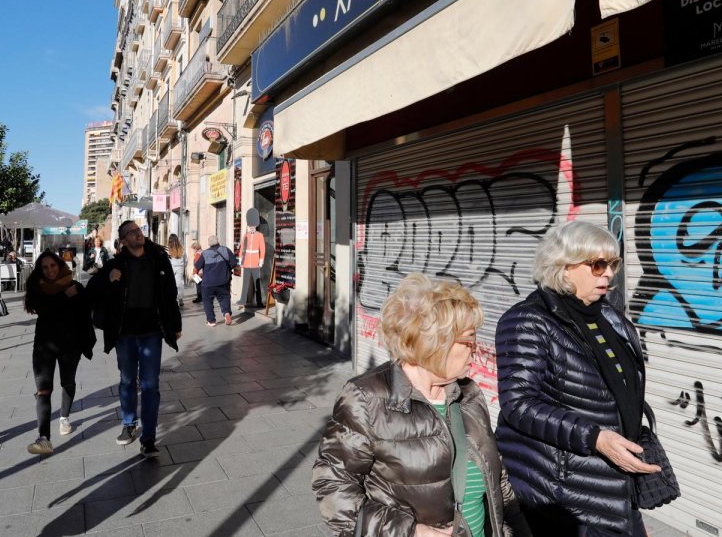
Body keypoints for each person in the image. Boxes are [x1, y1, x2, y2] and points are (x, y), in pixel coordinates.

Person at [313, 273, 529, 537]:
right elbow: (333, 486)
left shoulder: (469, 393)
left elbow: (498, 480)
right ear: (436, 342)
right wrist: (409, 532)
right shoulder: (366, 398)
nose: (477, 350)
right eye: (470, 341)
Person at [495, 221, 658, 536]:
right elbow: (519, 403)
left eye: (612, 264)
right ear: (563, 267)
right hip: (567, 493)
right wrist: (594, 437)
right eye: (597, 265)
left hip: (616, 485)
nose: (608, 274)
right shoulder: (527, 321)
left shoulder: (613, 319)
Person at [88, 220, 181, 459]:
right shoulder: (116, 263)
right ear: (123, 240)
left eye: (139, 231)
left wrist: (175, 325)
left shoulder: (158, 260)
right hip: (125, 334)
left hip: (152, 332)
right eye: (132, 232)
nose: (138, 235)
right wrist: (108, 277)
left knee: (150, 385)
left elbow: (170, 294)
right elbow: (92, 288)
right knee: (127, 380)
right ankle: (129, 423)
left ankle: (148, 437)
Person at [22, 251, 96, 455]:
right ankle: (44, 438)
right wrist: (65, 297)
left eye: (52, 266)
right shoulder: (37, 287)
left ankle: (64, 417)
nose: (50, 270)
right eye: (45, 267)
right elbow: (44, 310)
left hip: (70, 345)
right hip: (44, 346)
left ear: (60, 265)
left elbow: (86, 309)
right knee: (43, 390)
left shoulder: (75, 286)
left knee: (67, 382)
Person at [194, 235, 236, 326]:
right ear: (218, 241)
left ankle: (211, 321)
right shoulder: (226, 250)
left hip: (208, 283)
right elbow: (234, 263)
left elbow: (197, 266)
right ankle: (227, 313)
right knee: (224, 297)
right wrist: (226, 270)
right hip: (223, 280)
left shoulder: (204, 254)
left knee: (207, 300)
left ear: (209, 244)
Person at [237, 223, 265, 309]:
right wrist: (241, 259)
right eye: (250, 226)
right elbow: (242, 248)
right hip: (246, 262)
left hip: (255, 262)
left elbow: (262, 248)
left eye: (253, 226)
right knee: (245, 282)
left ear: (255, 226)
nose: (251, 228)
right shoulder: (246, 235)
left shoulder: (260, 235)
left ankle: (259, 302)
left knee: (257, 283)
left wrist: (261, 261)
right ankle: (243, 299)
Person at [166, 234, 186, 304]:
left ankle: (174, 298)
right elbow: (185, 259)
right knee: (179, 283)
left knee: (171, 283)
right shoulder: (181, 248)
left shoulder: (168, 248)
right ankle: (180, 298)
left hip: (171, 267)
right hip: (180, 266)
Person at [188, 239, 202, 303]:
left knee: (198, 286)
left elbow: (197, 264)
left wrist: (194, 274)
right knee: (202, 285)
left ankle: (199, 298)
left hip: (199, 272)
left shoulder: (197, 254)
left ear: (195, 248)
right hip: (204, 272)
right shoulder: (202, 252)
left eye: (193, 249)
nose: (192, 250)